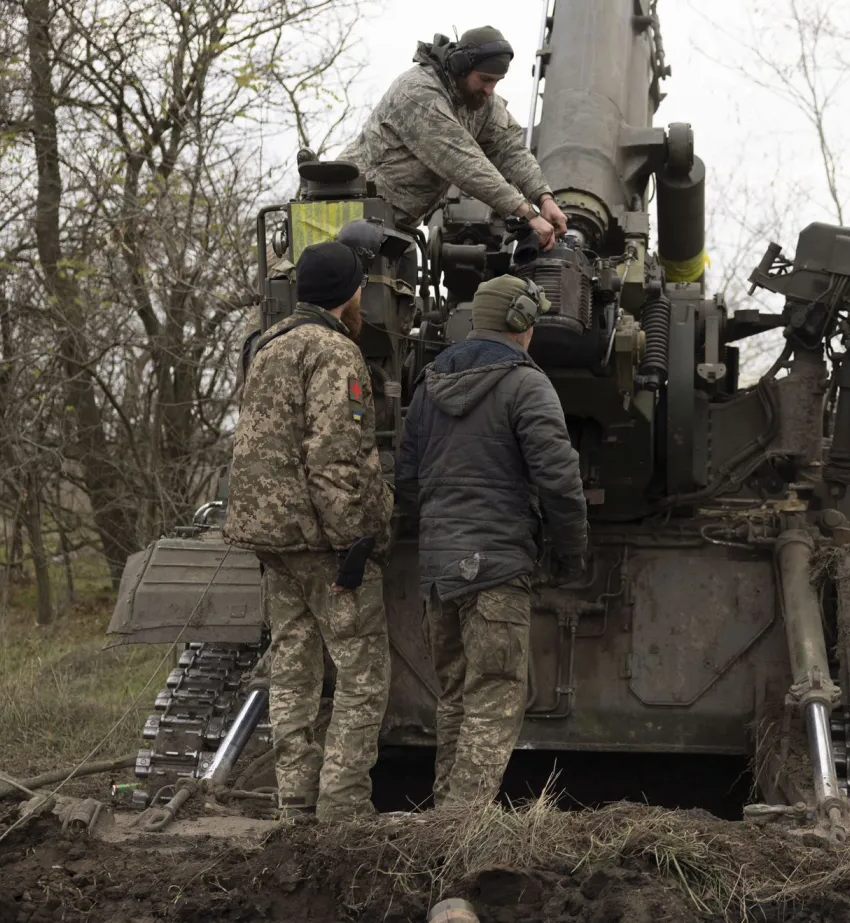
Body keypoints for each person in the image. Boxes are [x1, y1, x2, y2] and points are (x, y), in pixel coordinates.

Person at [396, 275, 588, 807]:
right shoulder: (528, 385)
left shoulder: (429, 384)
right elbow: (559, 480)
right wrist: (570, 553)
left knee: (455, 698)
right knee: (496, 695)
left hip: (439, 571)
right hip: (497, 569)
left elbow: (407, 483)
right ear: (522, 323)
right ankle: (461, 824)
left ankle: (444, 813)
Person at [223, 240, 394, 821]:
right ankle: (343, 808)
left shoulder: (267, 346)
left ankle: (294, 804)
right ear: (350, 293)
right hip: (323, 542)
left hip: (270, 540)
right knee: (362, 674)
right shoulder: (335, 352)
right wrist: (356, 543)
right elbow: (334, 459)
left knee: (292, 671)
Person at [339, 26, 569, 251]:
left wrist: (544, 199)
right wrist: (527, 214)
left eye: (496, 82)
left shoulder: (482, 103)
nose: (489, 90)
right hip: (345, 217)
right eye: (485, 79)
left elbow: (510, 149)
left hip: (394, 228)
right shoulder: (417, 92)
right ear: (461, 67)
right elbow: (462, 162)